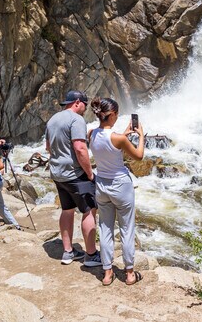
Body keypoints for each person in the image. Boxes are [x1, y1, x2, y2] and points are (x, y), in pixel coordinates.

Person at [88, 97, 144, 286]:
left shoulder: (91, 134)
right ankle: (129, 273)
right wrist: (141, 136)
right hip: (121, 186)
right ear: (111, 115)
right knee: (127, 229)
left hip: (102, 185)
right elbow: (139, 156)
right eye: (117, 114)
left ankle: (107, 273)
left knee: (105, 228)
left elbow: (108, 142)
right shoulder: (118, 139)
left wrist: (125, 133)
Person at [44, 90, 101, 267]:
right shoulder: (76, 120)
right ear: (77, 102)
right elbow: (80, 148)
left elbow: (48, 147)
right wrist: (90, 174)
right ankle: (91, 255)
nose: (85, 108)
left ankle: (68, 252)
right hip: (75, 174)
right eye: (84, 103)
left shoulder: (53, 119)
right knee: (90, 209)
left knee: (67, 210)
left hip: (58, 173)